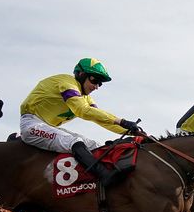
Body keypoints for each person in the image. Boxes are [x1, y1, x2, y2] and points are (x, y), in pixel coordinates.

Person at [19, 57, 141, 187]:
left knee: (95, 145)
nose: (97, 86)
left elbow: (100, 118)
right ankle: (104, 176)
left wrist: (133, 132)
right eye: (95, 80)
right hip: (32, 124)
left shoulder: (86, 98)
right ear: (81, 75)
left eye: (100, 83)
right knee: (75, 142)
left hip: (48, 127)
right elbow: (82, 110)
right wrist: (121, 121)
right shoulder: (67, 83)